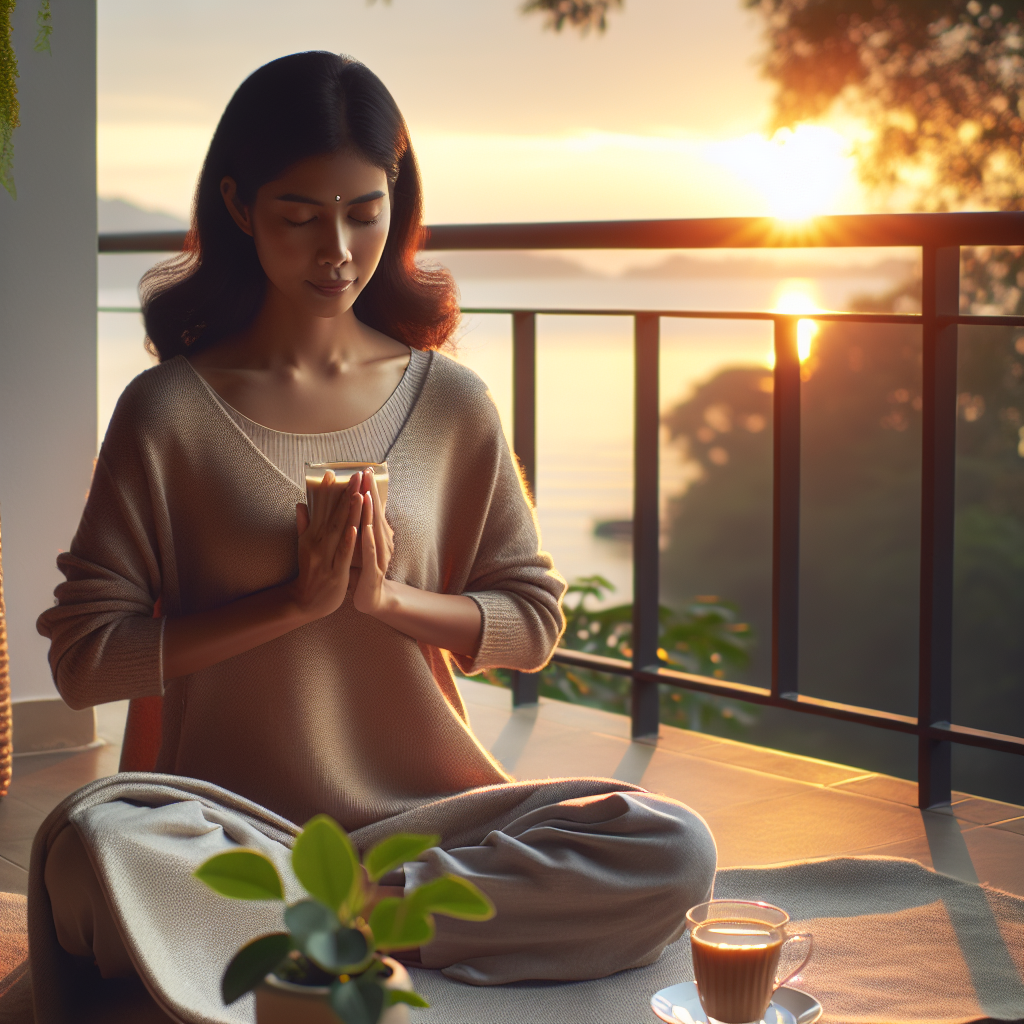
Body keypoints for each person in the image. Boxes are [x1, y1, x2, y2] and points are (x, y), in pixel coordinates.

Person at [32, 51, 716, 1020]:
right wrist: (289, 605)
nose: (338, 251)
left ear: (398, 199)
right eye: (300, 216)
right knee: (96, 847)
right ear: (238, 206)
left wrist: (385, 601)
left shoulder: (450, 400)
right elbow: (84, 664)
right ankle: (358, 928)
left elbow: (531, 622)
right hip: (223, 829)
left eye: (365, 210)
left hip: (422, 825)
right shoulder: (166, 413)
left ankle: (322, 930)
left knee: (672, 844)